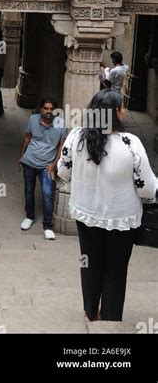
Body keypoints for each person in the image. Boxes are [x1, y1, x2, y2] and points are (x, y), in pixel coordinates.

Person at [57, 89, 157, 322]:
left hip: (86, 214)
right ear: (117, 112)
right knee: (116, 269)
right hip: (121, 219)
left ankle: (89, 313)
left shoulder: (76, 137)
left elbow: (63, 171)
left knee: (89, 263)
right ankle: (110, 319)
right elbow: (148, 189)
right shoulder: (130, 143)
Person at [18, 97, 66, 240]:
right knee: (28, 191)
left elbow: (61, 147)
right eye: (46, 108)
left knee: (47, 195)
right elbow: (27, 138)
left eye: (51, 109)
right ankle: (30, 216)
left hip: (47, 166)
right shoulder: (33, 120)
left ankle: (48, 226)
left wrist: (54, 165)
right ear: (41, 109)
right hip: (29, 161)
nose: (48, 111)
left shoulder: (61, 124)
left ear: (55, 111)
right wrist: (21, 156)